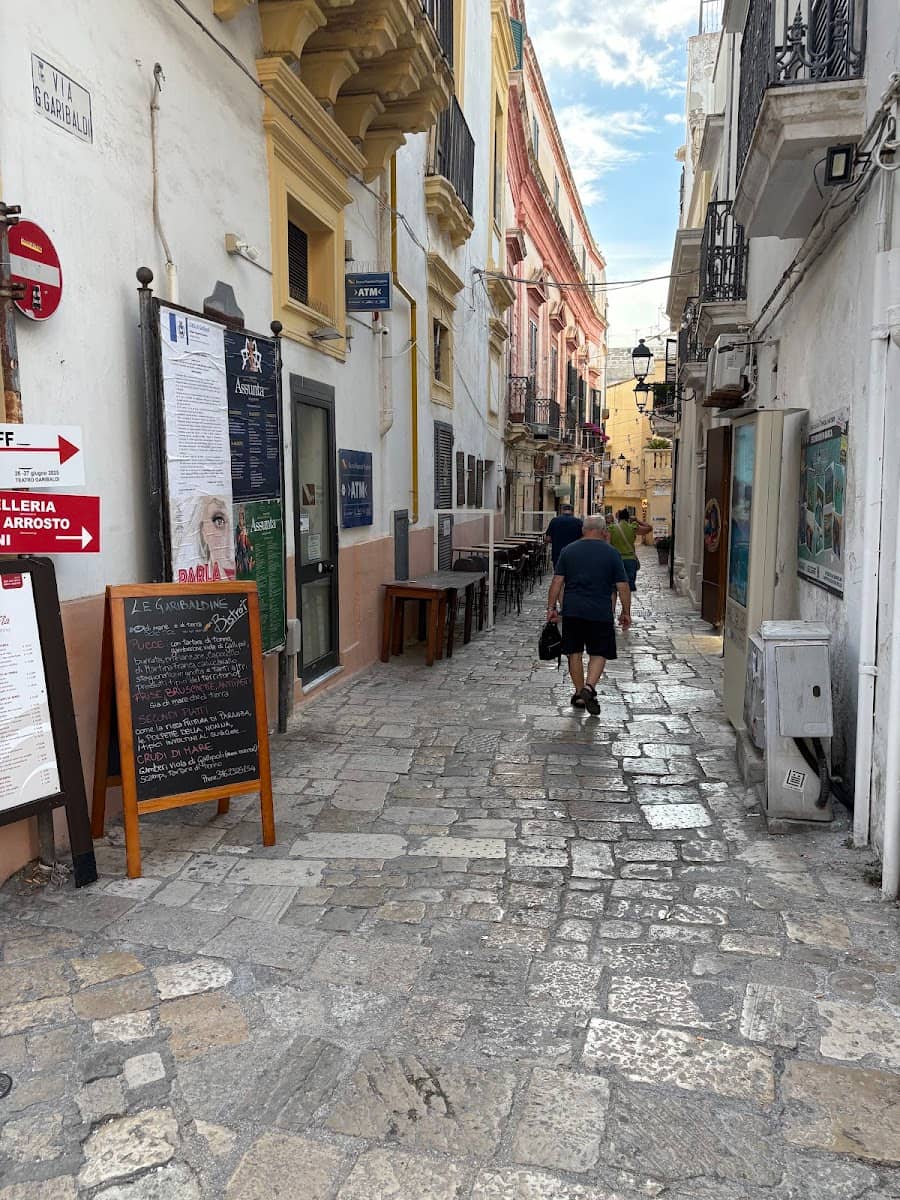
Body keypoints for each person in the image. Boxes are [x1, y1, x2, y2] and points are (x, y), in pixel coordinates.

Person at [546, 514, 631, 715]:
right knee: (599, 652)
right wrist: (626, 611)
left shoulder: (568, 550)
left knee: (574, 653)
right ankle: (589, 687)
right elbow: (622, 585)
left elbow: (557, 581)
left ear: (583, 530)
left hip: (573, 610)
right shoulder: (611, 553)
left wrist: (551, 608)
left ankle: (579, 694)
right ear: (603, 531)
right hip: (600, 611)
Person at [608, 508, 652, 614]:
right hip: (630, 561)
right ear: (628, 517)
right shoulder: (633, 527)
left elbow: (607, 545)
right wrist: (637, 520)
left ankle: (611, 612)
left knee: (613, 588)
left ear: (618, 517)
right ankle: (625, 612)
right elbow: (649, 528)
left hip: (616, 560)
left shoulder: (611, 528)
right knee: (627, 588)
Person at [545, 503, 583, 569]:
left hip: (557, 554)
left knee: (558, 572)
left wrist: (555, 540)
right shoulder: (579, 522)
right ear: (572, 511)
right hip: (573, 554)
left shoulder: (554, 521)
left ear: (562, 510)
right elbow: (583, 538)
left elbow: (548, 539)